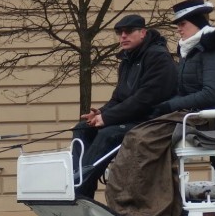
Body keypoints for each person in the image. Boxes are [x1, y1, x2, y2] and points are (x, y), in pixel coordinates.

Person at [105, 0, 215, 216]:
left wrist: (169, 106)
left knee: (141, 139)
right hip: (186, 114)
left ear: (197, 23)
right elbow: (182, 89)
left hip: (203, 119)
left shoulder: (214, 50)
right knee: (135, 133)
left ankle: (151, 207)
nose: (178, 28)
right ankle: (136, 201)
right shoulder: (191, 50)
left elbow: (209, 94)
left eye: (182, 23)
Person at [72, 14, 176, 198]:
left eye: (128, 32)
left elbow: (144, 100)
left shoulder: (158, 57)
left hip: (152, 120)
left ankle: (79, 189)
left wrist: (106, 118)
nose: (123, 36)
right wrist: (100, 113)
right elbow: (119, 98)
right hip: (132, 117)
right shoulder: (128, 60)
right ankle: (79, 184)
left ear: (143, 32)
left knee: (107, 134)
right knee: (82, 128)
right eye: (120, 33)